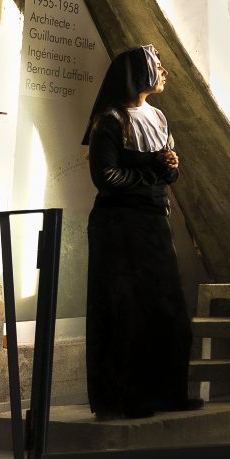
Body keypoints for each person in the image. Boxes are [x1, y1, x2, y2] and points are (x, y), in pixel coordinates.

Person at [82, 44, 200, 418]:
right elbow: (106, 177)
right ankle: (125, 399)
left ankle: (169, 394)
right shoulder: (110, 121)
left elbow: (168, 174)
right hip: (118, 228)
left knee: (167, 309)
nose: (164, 72)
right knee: (126, 313)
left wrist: (171, 167)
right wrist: (153, 169)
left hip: (153, 224)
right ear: (138, 74)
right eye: (157, 66)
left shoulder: (159, 118)